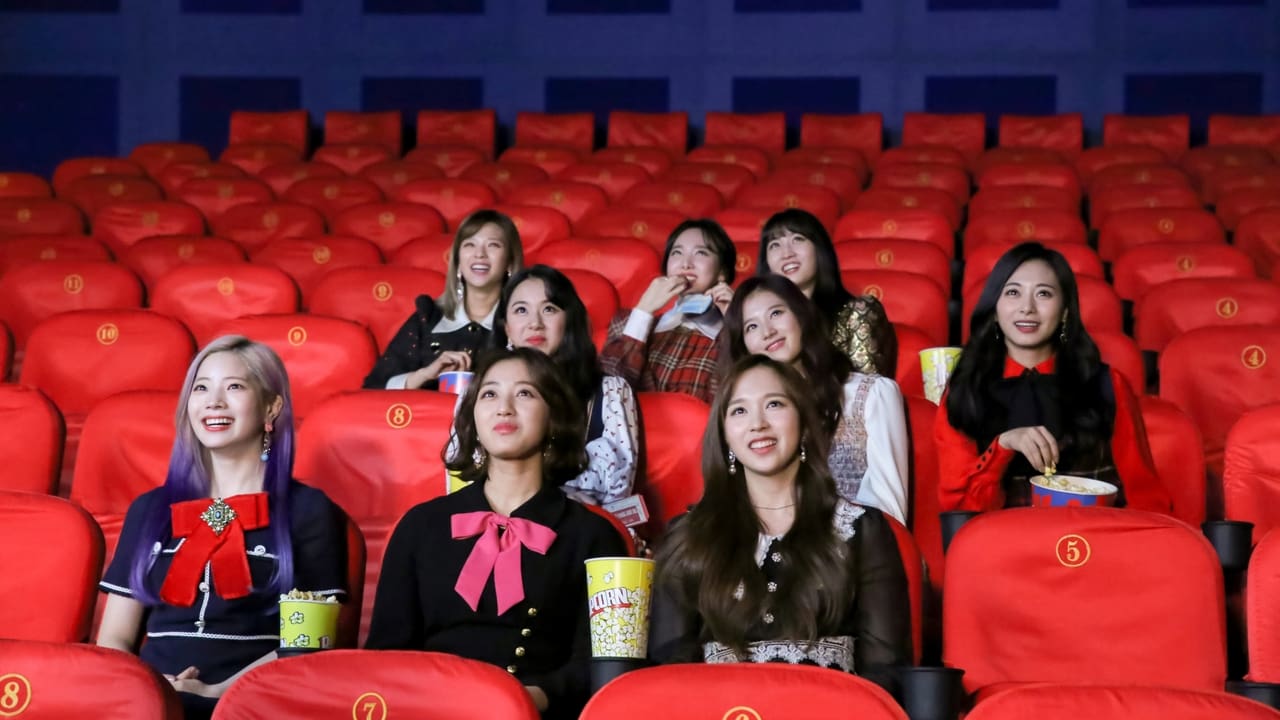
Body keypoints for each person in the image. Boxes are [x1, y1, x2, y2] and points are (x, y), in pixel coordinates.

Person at [365, 348, 627, 720]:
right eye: (489, 394)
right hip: (428, 710)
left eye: (525, 393)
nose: (504, 408)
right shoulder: (421, 525)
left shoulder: (593, 535)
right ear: (472, 416)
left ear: (554, 417)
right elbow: (386, 653)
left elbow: (602, 664)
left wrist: (529, 698)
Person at [96, 336, 348, 720]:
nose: (213, 401)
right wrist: (150, 688)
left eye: (234, 387)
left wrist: (220, 692)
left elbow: (308, 641)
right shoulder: (149, 509)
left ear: (271, 406)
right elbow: (115, 636)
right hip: (148, 699)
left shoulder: (309, 510)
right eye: (201, 388)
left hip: (257, 702)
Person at [648, 355, 911, 699]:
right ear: (724, 436)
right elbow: (670, 670)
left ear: (804, 424)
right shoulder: (689, 535)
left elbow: (885, 671)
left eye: (774, 404)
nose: (757, 423)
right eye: (739, 411)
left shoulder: (862, 531)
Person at [935, 241, 1172, 512]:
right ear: (995, 311)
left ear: (1065, 312)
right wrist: (1002, 447)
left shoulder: (1108, 384)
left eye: (1043, 294)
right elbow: (961, 511)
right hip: (1001, 537)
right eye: (1013, 292)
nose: (1027, 307)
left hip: (1094, 533)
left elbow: (1145, 495)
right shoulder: (965, 388)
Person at [722, 274, 910, 525]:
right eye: (751, 327)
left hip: (853, 544)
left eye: (776, 313)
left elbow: (891, 516)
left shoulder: (869, 394)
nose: (767, 332)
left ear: (801, 315)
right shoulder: (746, 416)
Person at [493, 265, 640, 507]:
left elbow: (616, 491)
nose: (535, 323)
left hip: (578, 524)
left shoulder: (609, 391)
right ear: (507, 328)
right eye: (521, 310)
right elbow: (465, 474)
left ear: (569, 320)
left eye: (549, 309)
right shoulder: (482, 392)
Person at [363, 209, 524, 389]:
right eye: (470, 244)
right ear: (458, 261)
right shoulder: (428, 317)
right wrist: (424, 374)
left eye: (493, 245)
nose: (480, 254)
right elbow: (374, 388)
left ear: (510, 261)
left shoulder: (523, 321)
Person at [599, 219, 736, 404]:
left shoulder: (734, 332)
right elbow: (606, 393)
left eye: (701, 253)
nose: (685, 264)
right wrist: (643, 311)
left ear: (722, 272)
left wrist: (736, 322)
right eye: (676, 253)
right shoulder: (626, 323)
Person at [757, 208, 897, 376]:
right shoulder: (761, 323)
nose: (786, 253)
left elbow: (868, 387)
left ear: (819, 250)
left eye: (798, 239)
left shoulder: (858, 312)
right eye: (774, 245)